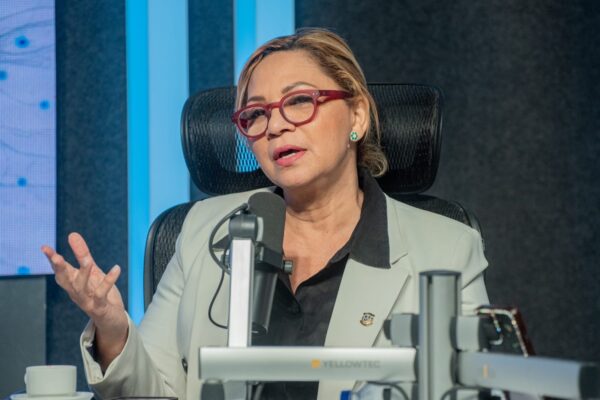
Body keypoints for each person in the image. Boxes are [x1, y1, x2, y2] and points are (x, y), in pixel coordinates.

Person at [42, 28, 489, 400]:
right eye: (256, 114)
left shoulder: (447, 249)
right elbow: (153, 392)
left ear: (357, 115)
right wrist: (113, 330)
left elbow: (466, 389)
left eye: (299, 101)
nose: (275, 126)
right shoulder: (201, 230)